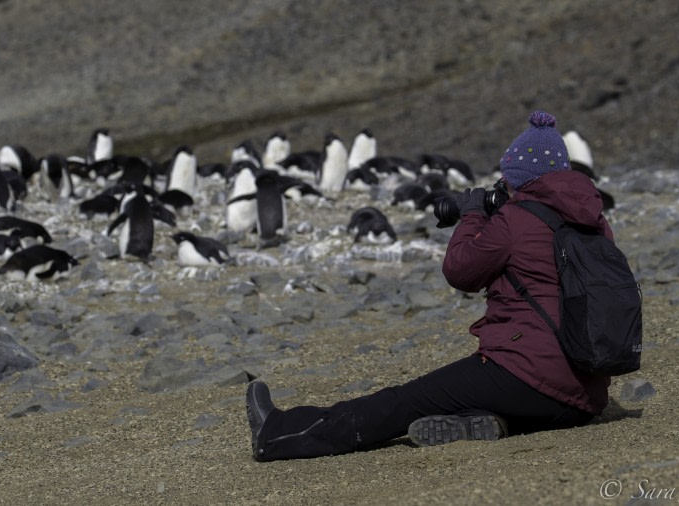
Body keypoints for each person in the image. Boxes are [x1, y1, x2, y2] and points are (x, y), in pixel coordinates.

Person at [244, 110, 612, 462]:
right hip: (584, 394)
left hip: (529, 375)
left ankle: (278, 433)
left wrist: (471, 215)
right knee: (472, 393)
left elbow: (460, 271)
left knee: (405, 400)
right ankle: (481, 422)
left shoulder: (517, 220)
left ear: (519, 177)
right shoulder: (593, 220)